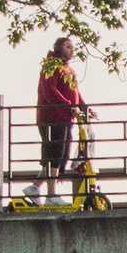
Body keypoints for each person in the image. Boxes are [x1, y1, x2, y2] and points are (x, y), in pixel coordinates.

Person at [34, 36, 92, 203]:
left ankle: (35, 187)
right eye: (68, 47)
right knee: (54, 154)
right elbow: (49, 91)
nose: (71, 51)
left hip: (66, 118)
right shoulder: (51, 67)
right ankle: (51, 195)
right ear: (59, 49)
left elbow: (75, 94)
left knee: (62, 154)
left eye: (72, 48)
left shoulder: (69, 71)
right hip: (51, 117)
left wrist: (85, 108)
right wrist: (68, 105)